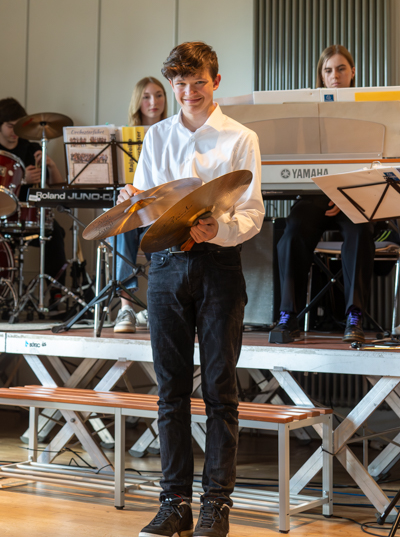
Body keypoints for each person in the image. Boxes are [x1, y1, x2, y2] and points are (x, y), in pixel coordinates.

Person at [118, 42, 264, 537]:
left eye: (198, 82)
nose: (188, 92)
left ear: (215, 81)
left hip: (218, 265)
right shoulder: (156, 135)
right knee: (170, 392)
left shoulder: (241, 137)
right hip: (164, 266)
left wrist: (217, 230)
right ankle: (174, 503)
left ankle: (216, 506)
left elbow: (252, 213)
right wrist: (132, 201)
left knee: (221, 391)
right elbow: (145, 207)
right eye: (180, 84)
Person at [269, 45, 375, 344]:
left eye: (341, 69)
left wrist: (342, 193)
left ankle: (354, 315)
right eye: (328, 70)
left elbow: (372, 161)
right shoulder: (308, 113)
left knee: (361, 232)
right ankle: (288, 315)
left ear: (353, 72)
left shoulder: (367, 111)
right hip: (313, 195)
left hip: (353, 195)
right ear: (321, 75)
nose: (335, 76)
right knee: (291, 235)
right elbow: (299, 160)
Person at [0, 98, 68, 306]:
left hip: (28, 215)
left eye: (18, 126)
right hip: (2, 214)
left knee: (55, 232)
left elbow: (57, 188)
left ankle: (56, 293)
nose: (15, 131)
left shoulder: (32, 149)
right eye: (10, 126)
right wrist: (22, 180)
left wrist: (51, 166)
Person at [113, 77, 167, 333]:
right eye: (146, 96)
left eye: (159, 95)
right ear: (137, 101)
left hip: (160, 210)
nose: (153, 101)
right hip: (133, 209)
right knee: (122, 223)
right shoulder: (122, 139)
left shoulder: (173, 133)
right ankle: (126, 307)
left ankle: (158, 305)